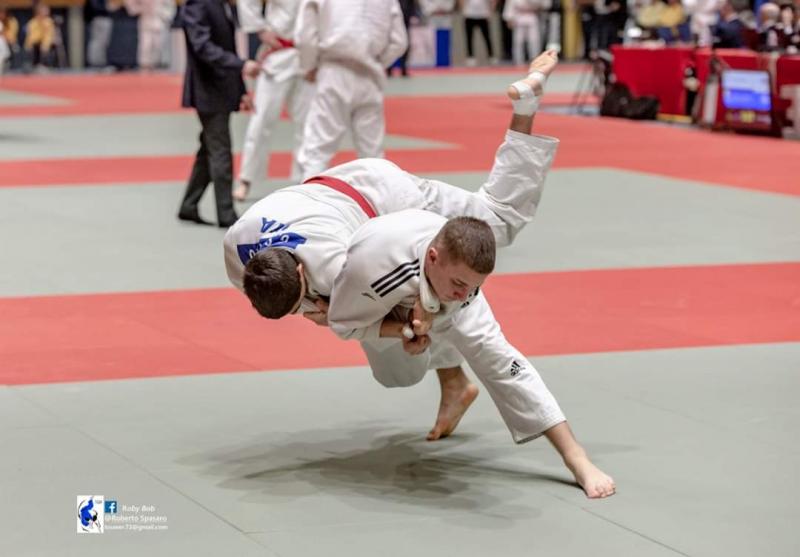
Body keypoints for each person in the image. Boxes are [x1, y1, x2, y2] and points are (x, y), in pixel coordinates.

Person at [293, 0, 408, 181]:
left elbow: (305, 37)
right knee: (373, 156)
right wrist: (377, 63)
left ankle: (308, 197)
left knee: (317, 151)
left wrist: (309, 65)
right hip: (370, 75)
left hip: (334, 70)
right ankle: (378, 198)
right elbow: (399, 42)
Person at [177, 0, 260, 228]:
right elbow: (202, 47)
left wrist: (240, 89)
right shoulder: (198, 4)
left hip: (221, 88)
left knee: (209, 149)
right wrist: (240, 65)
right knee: (220, 151)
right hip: (207, 89)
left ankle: (189, 205)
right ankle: (226, 214)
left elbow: (228, 46)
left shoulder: (222, 4)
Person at [233, 0, 314, 201]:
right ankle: (246, 179)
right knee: (261, 120)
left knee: (308, 124)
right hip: (278, 54)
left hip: (309, 58)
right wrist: (260, 30)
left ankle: (305, 180)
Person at [460, 0, 497, 66]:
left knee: (487, 37)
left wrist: (491, 12)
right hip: (469, 15)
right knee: (469, 37)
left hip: (483, 15)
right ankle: (470, 56)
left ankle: (491, 56)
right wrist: (463, 11)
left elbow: (493, 1)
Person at [24, 3, 55, 70]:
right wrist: (34, 42)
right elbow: (31, 35)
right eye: (44, 11)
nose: (46, 12)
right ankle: (32, 65)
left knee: (45, 48)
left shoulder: (49, 21)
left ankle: (44, 65)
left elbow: (49, 34)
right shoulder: (33, 22)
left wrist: (45, 43)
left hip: (46, 42)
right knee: (31, 47)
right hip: (35, 42)